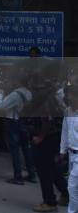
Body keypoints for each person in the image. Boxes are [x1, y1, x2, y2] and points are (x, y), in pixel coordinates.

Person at [0, 73, 37, 185]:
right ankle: (32, 174)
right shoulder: (29, 93)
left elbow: (1, 106)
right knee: (26, 149)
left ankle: (18, 176)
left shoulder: (15, 94)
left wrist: (0, 94)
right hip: (24, 123)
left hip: (13, 122)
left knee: (15, 150)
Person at [60, 84, 78, 213]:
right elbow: (64, 132)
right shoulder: (67, 111)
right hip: (71, 154)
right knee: (73, 187)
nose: (68, 98)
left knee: (72, 186)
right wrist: (62, 150)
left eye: (72, 96)